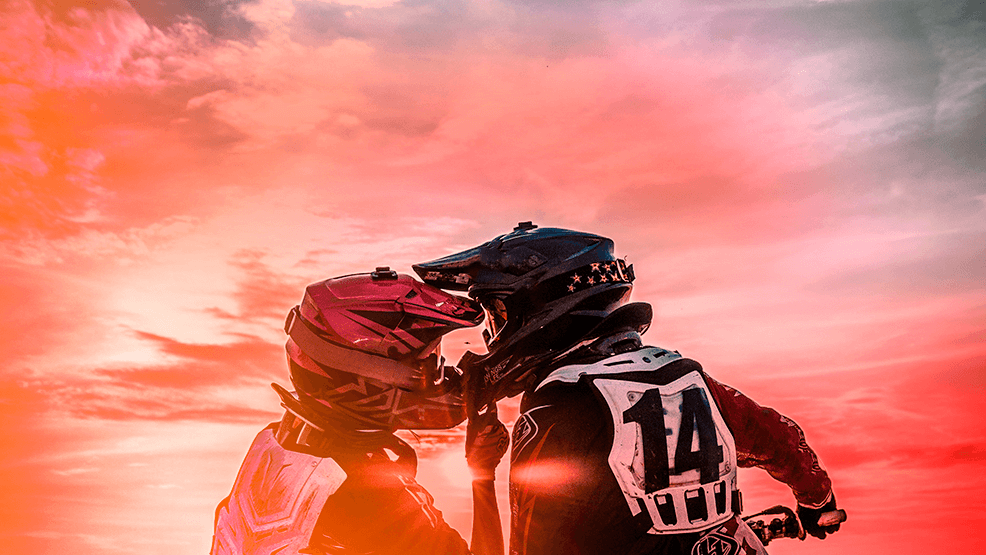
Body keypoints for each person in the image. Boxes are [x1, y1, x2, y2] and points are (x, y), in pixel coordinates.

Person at [413, 223, 843, 555]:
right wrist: (817, 499)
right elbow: (778, 437)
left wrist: (481, 475)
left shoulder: (559, 406)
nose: (493, 334)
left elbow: (536, 545)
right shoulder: (689, 376)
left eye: (498, 312)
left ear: (542, 305)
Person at [211, 268, 509, 555]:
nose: (438, 373)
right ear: (371, 377)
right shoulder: (375, 494)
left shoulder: (272, 443)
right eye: (427, 362)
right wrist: (482, 474)